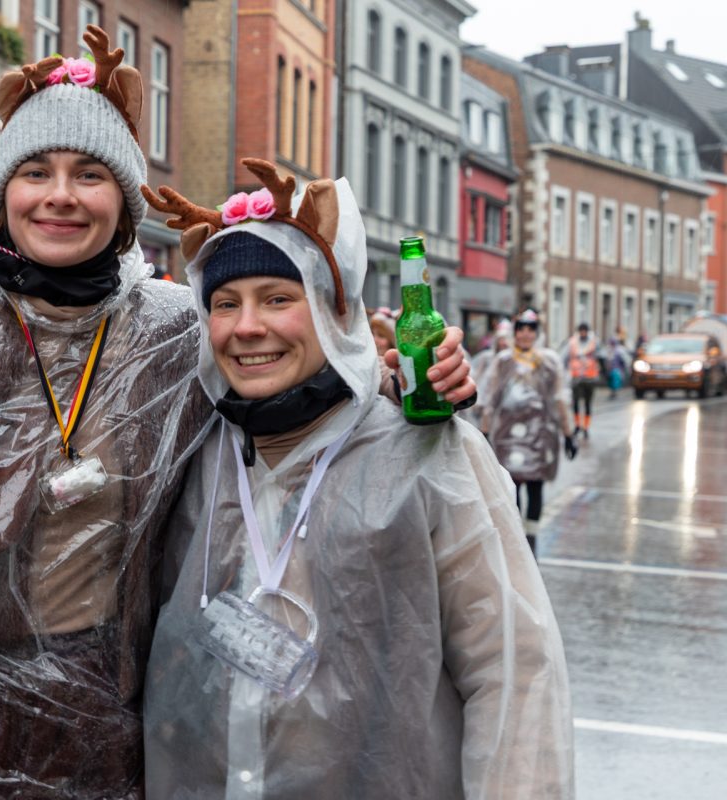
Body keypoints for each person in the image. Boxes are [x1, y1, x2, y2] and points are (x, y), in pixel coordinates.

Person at [0, 28, 476, 799]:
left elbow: (308, 384)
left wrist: (416, 370)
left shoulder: (176, 326)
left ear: (126, 204)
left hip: (84, 719)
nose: (59, 195)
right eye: (35, 171)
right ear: (2, 195)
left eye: (88, 174)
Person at [140, 161, 573, 799]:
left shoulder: (426, 454)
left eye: (279, 299)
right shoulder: (195, 450)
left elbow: (513, 671)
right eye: (225, 304)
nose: (247, 326)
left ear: (335, 310)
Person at [483, 310, 577, 555]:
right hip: (508, 437)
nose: (525, 334)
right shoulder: (503, 361)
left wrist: (569, 433)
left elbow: (560, 398)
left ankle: (531, 538)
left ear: (537, 333)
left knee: (535, 486)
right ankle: (515, 540)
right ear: (515, 333)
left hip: (539, 435)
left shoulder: (549, 361)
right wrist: (484, 432)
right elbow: (490, 397)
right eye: (521, 329)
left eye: (531, 329)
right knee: (510, 487)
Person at [565, 321, 599, 438]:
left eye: (585, 331)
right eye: (581, 331)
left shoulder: (594, 343)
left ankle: (586, 427)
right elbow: (566, 357)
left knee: (588, 403)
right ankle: (577, 425)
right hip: (576, 377)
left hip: (589, 378)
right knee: (575, 403)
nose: (583, 333)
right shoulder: (572, 343)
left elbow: (599, 356)